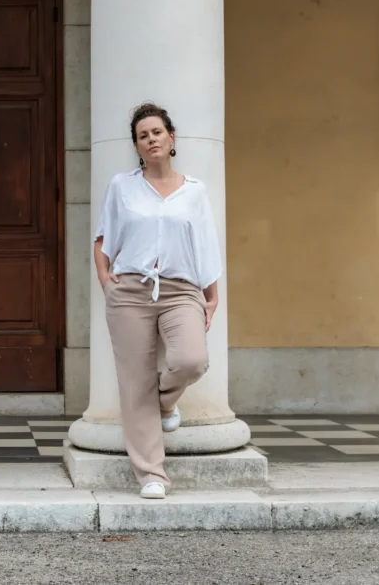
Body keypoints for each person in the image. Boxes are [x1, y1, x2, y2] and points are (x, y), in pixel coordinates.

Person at [92, 102, 222, 500]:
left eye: (156, 132)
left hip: (182, 289)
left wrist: (212, 297)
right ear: (137, 145)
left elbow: (207, 245)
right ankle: (151, 474)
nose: (150, 139)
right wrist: (104, 279)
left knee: (190, 360)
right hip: (130, 289)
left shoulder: (195, 191)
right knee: (134, 384)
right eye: (142, 135)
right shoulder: (122, 186)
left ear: (171, 138)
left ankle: (164, 404)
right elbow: (103, 238)